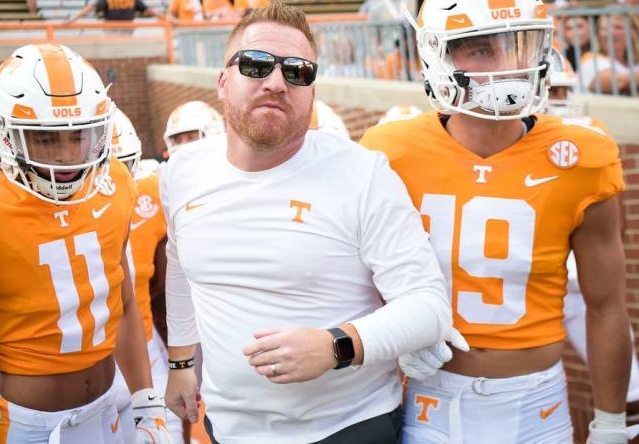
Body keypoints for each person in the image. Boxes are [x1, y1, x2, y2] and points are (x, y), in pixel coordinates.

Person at [162, 3, 456, 443]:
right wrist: (182, 364)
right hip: (230, 429)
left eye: (298, 72)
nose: (277, 83)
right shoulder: (183, 171)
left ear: (312, 92)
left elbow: (429, 306)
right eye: (257, 65)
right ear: (223, 81)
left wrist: (336, 345)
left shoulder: (362, 173)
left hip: (348, 426)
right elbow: (182, 266)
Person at [361, 1, 636, 442]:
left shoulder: (583, 157)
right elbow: (359, 277)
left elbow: (605, 307)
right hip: (429, 400)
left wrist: (609, 422)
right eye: (483, 50)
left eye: (519, 46)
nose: (509, 66)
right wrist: (396, 330)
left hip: (537, 408)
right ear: (436, 54)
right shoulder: (389, 150)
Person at [0, 43, 169, 443]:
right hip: (29, 426)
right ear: (5, 134)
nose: (67, 157)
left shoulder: (115, 181)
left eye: (79, 136)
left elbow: (125, 299)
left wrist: (147, 401)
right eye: (46, 138)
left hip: (110, 409)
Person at [546, 47, 639, 423]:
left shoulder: (587, 139)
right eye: (553, 92)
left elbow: (617, 228)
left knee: (628, 393)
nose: (561, 101)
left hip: (576, 279)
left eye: (565, 91)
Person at [110, 107, 184, 443]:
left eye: (125, 166)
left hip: (143, 347)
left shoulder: (152, 194)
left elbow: (162, 292)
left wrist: (176, 358)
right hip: (74, 367)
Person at [578, 14, 639, 95]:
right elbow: (618, 82)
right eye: (605, 28)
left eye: (618, 27)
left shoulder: (635, 64)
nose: (610, 32)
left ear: (632, 32)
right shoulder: (590, 59)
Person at [65, 0, 164, 24]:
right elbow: (91, 8)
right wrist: (72, 19)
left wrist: (167, 18)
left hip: (127, 30)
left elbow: (148, 10)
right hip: (111, 30)